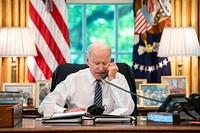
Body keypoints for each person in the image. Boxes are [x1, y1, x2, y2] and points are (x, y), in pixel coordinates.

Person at [38, 41, 135, 116]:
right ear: (87, 61)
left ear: (111, 61)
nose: (101, 68)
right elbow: (44, 106)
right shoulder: (73, 79)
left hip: (110, 130)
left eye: (105, 63)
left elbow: (127, 110)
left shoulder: (118, 79)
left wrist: (113, 80)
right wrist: (66, 111)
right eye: (97, 63)